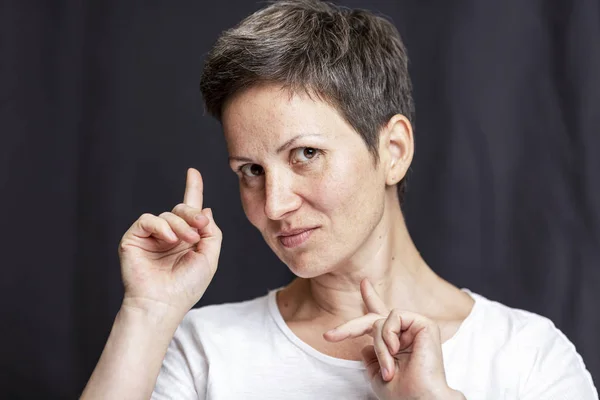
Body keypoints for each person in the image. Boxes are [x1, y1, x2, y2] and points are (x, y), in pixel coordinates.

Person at [81, 1, 598, 399]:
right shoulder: (202, 349)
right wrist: (148, 311)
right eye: (251, 171)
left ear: (393, 150)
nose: (275, 204)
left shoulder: (526, 356)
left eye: (306, 153)